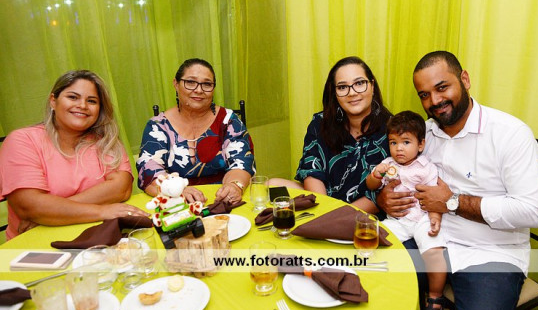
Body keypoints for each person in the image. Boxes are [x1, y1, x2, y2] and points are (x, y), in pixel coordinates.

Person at [377, 51, 538, 310]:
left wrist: (452, 202)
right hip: (427, 237)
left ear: (464, 79)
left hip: (491, 254)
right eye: (424, 95)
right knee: (368, 281)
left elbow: (532, 211)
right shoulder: (424, 134)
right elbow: (397, 175)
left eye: (442, 87)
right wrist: (384, 198)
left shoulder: (510, 134)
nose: (434, 101)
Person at [0, 70, 148, 241]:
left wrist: (50, 213)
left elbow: (121, 189)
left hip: (98, 237)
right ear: (53, 101)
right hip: (36, 242)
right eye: (72, 97)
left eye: (91, 101)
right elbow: (29, 205)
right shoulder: (22, 140)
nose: (82, 105)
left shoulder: (107, 141)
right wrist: (102, 210)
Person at [271, 56, 392, 211]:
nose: (352, 93)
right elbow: (312, 172)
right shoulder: (320, 123)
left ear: (372, 86)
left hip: (364, 210)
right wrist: (325, 211)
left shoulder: (393, 129)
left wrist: (340, 216)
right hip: (323, 200)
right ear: (334, 93)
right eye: (342, 87)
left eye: (359, 83)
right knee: (271, 185)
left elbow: (384, 194)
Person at [365, 110, 447, 310]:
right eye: (393, 142)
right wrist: (376, 175)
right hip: (398, 220)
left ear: (421, 145)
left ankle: (435, 296)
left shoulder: (426, 168)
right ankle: (367, 280)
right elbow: (370, 185)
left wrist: (435, 217)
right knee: (373, 237)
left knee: (434, 253)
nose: (398, 148)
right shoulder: (388, 164)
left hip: (422, 219)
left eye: (406, 142)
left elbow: (435, 197)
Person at [137, 58, 255, 204]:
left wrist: (234, 186)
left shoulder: (228, 120)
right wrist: (177, 191)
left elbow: (242, 162)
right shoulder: (158, 126)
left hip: (221, 200)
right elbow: (148, 170)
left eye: (207, 84)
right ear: (176, 84)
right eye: (191, 82)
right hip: (176, 203)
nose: (199, 90)